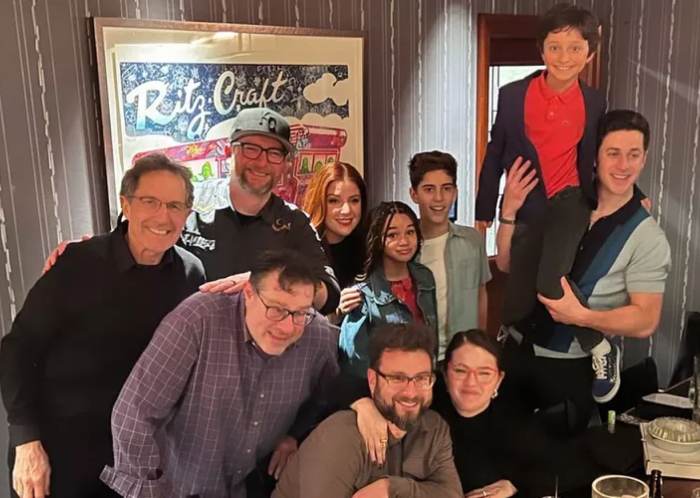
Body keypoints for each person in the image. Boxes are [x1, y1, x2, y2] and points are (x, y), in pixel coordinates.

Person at [0, 154, 205, 498]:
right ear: (126, 204)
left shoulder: (191, 273)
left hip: (136, 459)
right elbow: (19, 348)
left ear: (187, 213)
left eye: (175, 205)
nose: (163, 216)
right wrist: (26, 440)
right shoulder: (78, 263)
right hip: (57, 453)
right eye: (150, 201)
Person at [45, 108, 340, 314]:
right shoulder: (189, 203)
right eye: (251, 148)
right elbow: (131, 244)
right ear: (231, 151)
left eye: (274, 153)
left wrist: (270, 283)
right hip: (190, 350)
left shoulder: (294, 222)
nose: (262, 162)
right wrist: (89, 251)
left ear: (285, 163)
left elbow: (329, 294)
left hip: (267, 354)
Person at [100, 249, 339, 498]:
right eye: (277, 309)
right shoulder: (196, 320)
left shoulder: (318, 337)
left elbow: (324, 400)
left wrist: (293, 435)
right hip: (180, 487)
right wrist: (149, 492)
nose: (287, 327)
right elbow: (135, 414)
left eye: (300, 313)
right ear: (248, 293)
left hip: (254, 486)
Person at [473, 4, 618, 400]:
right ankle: (510, 353)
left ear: (589, 54)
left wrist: (633, 198)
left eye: (575, 48)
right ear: (541, 50)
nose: (564, 57)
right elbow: (495, 153)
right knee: (515, 296)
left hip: (571, 200)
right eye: (555, 47)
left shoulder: (594, 102)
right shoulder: (513, 95)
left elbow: (604, 157)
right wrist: (485, 211)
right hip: (530, 201)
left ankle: (598, 345)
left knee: (549, 282)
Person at [496, 110, 671, 430]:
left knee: (557, 460)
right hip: (512, 351)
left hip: (567, 369)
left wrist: (582, 317)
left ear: (644, 158)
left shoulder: (647, 236)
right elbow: (509, 264)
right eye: (613, 153)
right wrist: (508, 212)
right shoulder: (565, 202)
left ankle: (603, 351)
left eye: (633, 155)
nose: (623, 165)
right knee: (501, 450)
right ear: (595, 156)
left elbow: (646, 319)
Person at [349, 330, 600, 498]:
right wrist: (364, 405)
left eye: (484, 373)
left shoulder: (515, 418)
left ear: (499, 379)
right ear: (445, 374)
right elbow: (347, 384)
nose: (471, 383)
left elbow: (572, 462)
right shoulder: (425, 395)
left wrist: (515, 484)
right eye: (461, 371)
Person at [273, 323, 463, 498]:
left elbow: (451, 494)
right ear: (372, 381)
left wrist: (392, 488)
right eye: (397, 378)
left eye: (421, 378)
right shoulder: (342, 435)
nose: (411, 392)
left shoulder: (434, 428)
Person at [339, 201, 438, 378]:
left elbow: (432, 337)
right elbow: (355, 362)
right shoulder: (363, 292)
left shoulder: (425, 277)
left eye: (410, 232)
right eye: (392, 235)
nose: (404, 241)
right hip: (385, 385)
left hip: (421, 380)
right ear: (378, 240)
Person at [408, 151, 491, 357]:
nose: (439, 198)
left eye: (446, 188)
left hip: (462, 355)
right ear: (414, 194)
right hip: (419, 357)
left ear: (455, 193)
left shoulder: (472, 241)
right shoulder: (404, 246)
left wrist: (480, 345)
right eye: (429, 189)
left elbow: (481, 294)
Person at [301, 162, 367, 325]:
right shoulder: (303, 250)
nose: (346, 210)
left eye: (354, 200)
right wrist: (336, 312)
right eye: (334, 201)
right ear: (319, 202)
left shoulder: (369, 247)